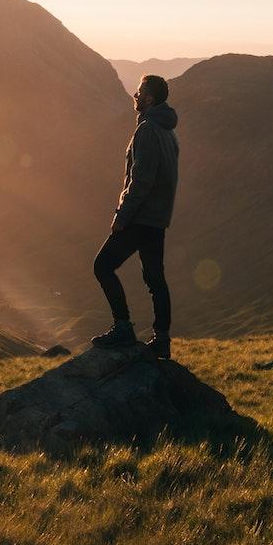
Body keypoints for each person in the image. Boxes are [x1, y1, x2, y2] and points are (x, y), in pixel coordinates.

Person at [92, 73, 179, 359]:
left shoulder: (147, 131)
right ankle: (162, 339)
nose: (136, 95)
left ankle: (123, 327)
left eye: (140, 92)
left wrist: (122, 215)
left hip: (140, 217)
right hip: (157, 219)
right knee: (155, 278)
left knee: (103, 265)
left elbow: (140, 180)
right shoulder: (168, 132)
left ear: (149, 98)